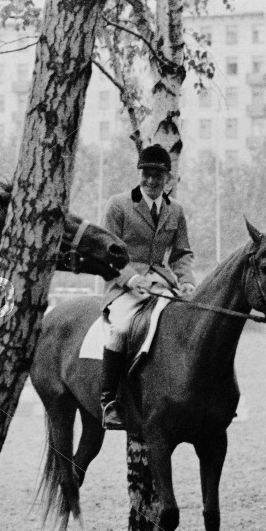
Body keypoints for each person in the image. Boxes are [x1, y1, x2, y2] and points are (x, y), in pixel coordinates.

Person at [100, 143, 195, 431]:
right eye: (147, 174)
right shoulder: (118, 205)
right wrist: (130, 278)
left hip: (163, 284)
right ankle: (109, 401)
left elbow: (182, 253)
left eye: (158, 175)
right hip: (125, 285)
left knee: (186, 325)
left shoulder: (175, 211)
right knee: (121, 327)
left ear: (168, 178)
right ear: (139, 174)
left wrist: (187, 281)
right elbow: (107, 252)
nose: (151, 181)